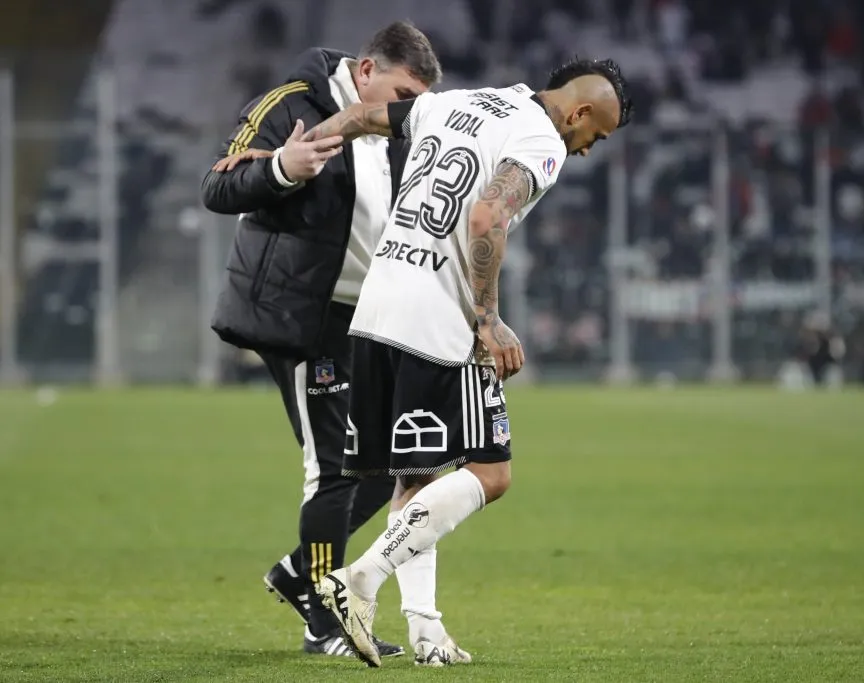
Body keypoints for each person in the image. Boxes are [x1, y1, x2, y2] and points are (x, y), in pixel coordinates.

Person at [301, 58, 634, 667]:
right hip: (438, 319)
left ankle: (426, 631)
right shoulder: (540, 140)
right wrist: (487, 317)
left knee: (419, 480)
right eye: (597, 137)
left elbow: (360, 118)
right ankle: (361, 579)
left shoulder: (455, 102)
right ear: (581, 113)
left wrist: (286, 159)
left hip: (377, 306)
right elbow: (487, 215)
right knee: (491, 472)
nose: (587, 150)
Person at [200, 22, 454, 659]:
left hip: (368, 318)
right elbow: (218, 184)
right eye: (397, 92)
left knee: (403, 463)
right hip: (300, 316)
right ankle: (324, 617)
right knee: (334, 469)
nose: (402, 109)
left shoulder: (402, 125)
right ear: (365, 72)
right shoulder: (291, 101)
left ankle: (297, 573)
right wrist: (283, 168)